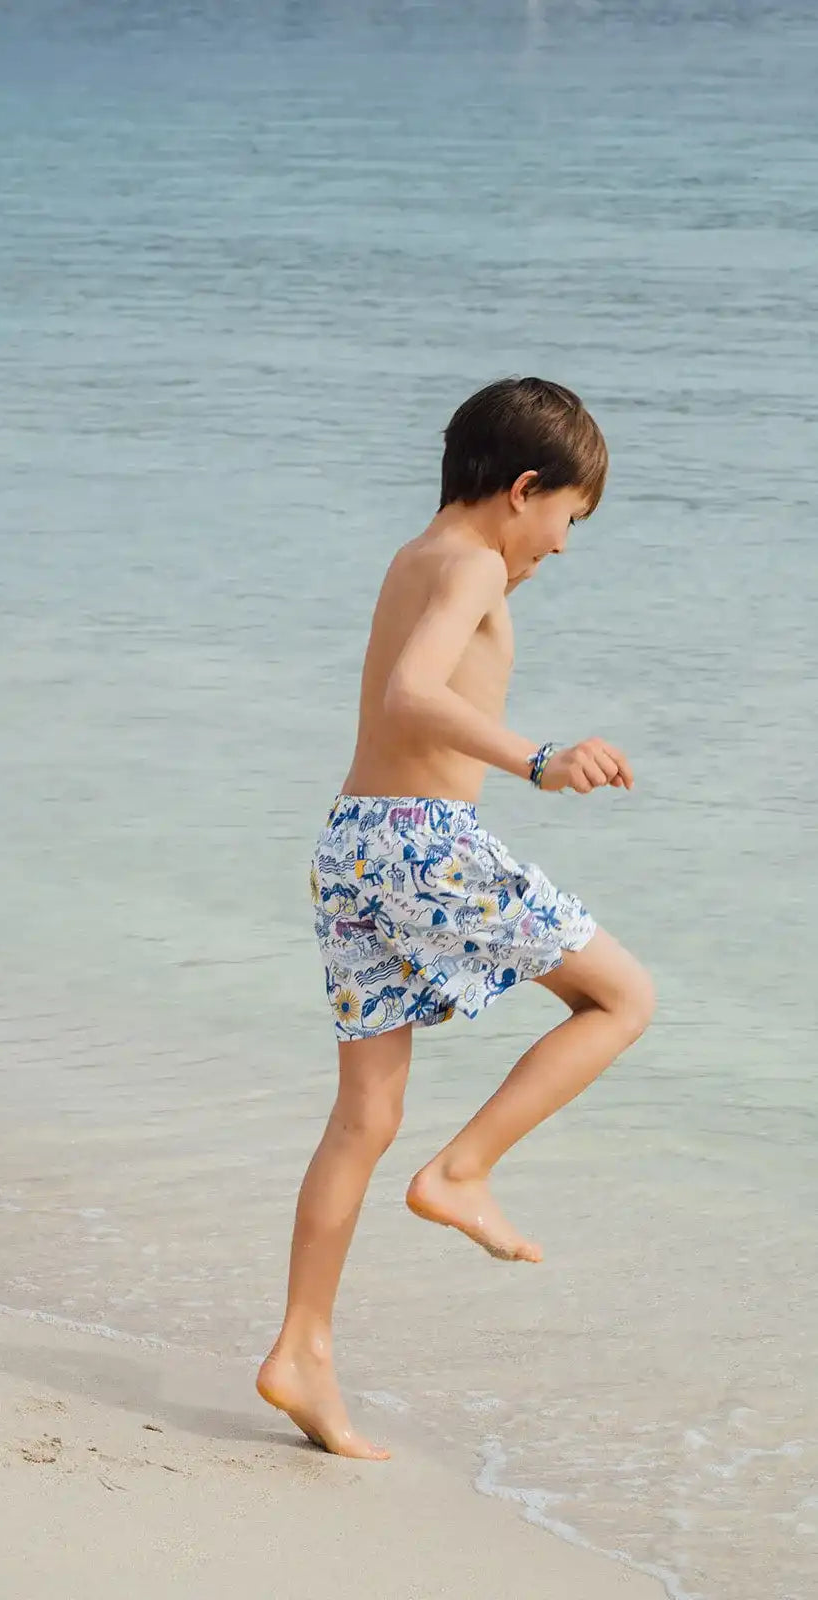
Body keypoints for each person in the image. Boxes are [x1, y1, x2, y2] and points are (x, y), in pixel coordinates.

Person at [257, 377, 656, 1461]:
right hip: (419, 842)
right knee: (621, 998)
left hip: (351, 841)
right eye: (566, 518)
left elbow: (405, 685)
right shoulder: (474, 563)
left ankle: (301, 1349)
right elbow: (410, 694)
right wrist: (538, 758)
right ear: (522, 488)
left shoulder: (418, 556)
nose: (561, 547)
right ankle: (463, 1171)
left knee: (363, 1117)